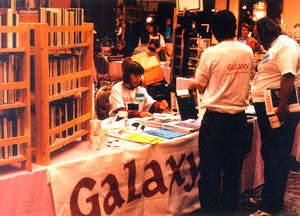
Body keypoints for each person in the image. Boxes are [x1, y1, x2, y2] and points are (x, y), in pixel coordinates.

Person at [189, 10, 254, 215]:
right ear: (234, 28)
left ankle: (210, 211)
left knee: (210, 171)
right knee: (233, 172)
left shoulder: (211, 53)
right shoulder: (247, 52)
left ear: (214, 31)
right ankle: (229, 210)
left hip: (215, 121)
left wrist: (193, 85)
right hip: (239, 120)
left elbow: (200, 85)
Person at [250, 17, 300, 216]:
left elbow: (287, 76)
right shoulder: (275, 46)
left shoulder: (286, 45)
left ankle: (271, 205)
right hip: (267, 107)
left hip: (277, 108)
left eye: (257, 34)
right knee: (269, 154)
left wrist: (282, 106)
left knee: (277, 156)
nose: (257, 39)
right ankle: (269, 198)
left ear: (266, 30)